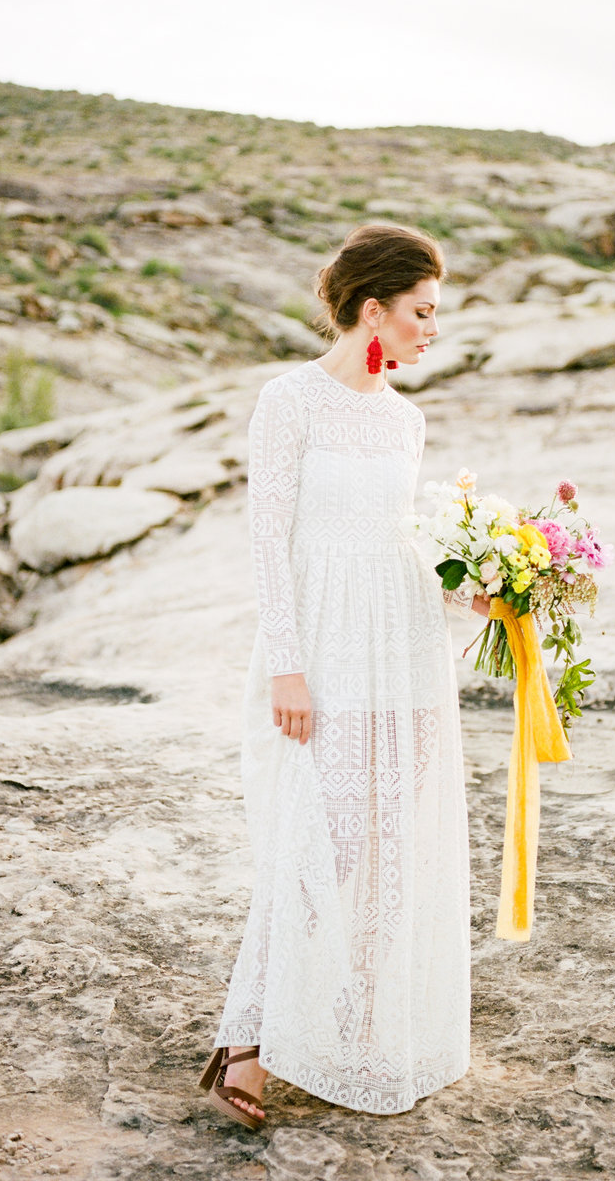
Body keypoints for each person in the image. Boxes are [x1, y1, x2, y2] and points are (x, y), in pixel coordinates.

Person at [198, 223, 491, 1127]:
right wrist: (286, 665)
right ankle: (249, 1039)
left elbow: (401, 545)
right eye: (422, 312)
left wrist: (474, 593)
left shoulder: (407, 418)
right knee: (313, 837)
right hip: (320, 650)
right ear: (374, 310)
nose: (430, 329)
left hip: (404, 650)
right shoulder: (290, 402)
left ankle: (359, 1018)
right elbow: (269, 541)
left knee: (389, 839)